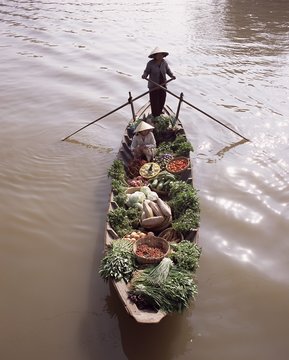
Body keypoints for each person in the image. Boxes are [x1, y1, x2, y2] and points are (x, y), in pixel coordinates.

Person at [142, 47, 176, 118]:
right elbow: (146, 71)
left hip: (163, 85)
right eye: (158, 55)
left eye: (161, 55)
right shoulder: (150, 63)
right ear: (155, 56)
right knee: (154, 100)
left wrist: (172, 76)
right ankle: (155, 115)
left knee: (162, 98)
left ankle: (160, 112)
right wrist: (144, 75)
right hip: (154, 86)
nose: (160, 56)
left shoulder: (164, 63)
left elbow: (168, 71)